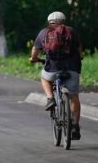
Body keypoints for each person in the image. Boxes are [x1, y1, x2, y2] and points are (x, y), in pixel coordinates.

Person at [29, 11, 83, 140]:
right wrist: (79, 57)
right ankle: (75, 126)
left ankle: (50, 99)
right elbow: (79, 48)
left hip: (52, 68)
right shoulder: (71, 31)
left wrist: (33, 58)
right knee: (73, 96)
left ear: (49, 22)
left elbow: (35, 50)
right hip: (72, 68)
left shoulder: (44, 32)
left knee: (44, 78)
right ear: (64, 21)